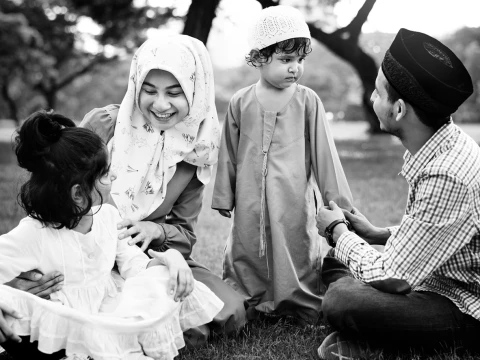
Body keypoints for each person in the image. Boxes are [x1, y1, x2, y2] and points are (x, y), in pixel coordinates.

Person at [0, 110, 223, 360]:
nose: (114, 175)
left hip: (106, 315)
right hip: (60, 327)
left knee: (161, 276)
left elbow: (136, 266)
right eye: (106, 173)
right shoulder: (34, 233)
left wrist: (171, 258)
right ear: (77, 194)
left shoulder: (108, 217)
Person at [316, 28, 480, 360]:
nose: (371, 99)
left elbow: (394, 275)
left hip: (461, 306)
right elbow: (431, 233)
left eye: (376, 93)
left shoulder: (447, 172)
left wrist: (337, 231)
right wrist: (376, 234)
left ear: (400, 109)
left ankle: (380, 339)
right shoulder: (440, 144)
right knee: (339, 262)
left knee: (344, 302)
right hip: (433, 277)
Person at [79, 35, 247, 345]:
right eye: (149, 90)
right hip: (86, 252)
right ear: (135, 85)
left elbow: (184, 233)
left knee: (227, 311)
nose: (160, 104)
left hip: (151, 258)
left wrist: (155, 231)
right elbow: (60, 194)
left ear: (196, 93)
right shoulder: (103, 126)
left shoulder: (195, 150)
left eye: (174, 92)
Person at [212, 5, 353, 324]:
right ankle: (251, 299)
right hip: (250, 200)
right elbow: (228, 152)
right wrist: (224, 196)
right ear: (260, 57)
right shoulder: (240, 101)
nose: (295, 68)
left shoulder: (307, 101)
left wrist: (339, 205)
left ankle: (296, 303)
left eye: (300, 60)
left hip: (293, 200)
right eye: (286, 60)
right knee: (248, 248)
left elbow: (324, 154)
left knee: (296, 250)